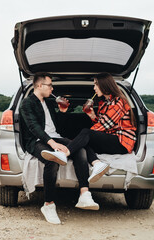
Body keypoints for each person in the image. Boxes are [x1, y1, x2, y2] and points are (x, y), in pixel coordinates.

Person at [19, 72, 99, 225]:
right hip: (37, 141)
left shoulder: (49, 102)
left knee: (79, 149)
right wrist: (52, 143)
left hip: (54, 137)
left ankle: (84, 193)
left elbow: (57, 127)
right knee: (52, 160)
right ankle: (48, 204)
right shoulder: (27, 103)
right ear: (39, 85)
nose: (52, 88)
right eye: (49, 85)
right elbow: (34, 127)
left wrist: (62, 113)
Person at [41, 72, 137, 184]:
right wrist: (92, 116)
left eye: (96, 84)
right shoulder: (104, 104)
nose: (94, 87)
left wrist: (78, 140)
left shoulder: (118, 103)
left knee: (86, 133)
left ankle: (64, 154)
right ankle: (97, 164)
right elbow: (102, 124)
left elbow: (103, 126)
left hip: (121, 142)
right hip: (111, 137)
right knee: (84, 141)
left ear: (104, 85)